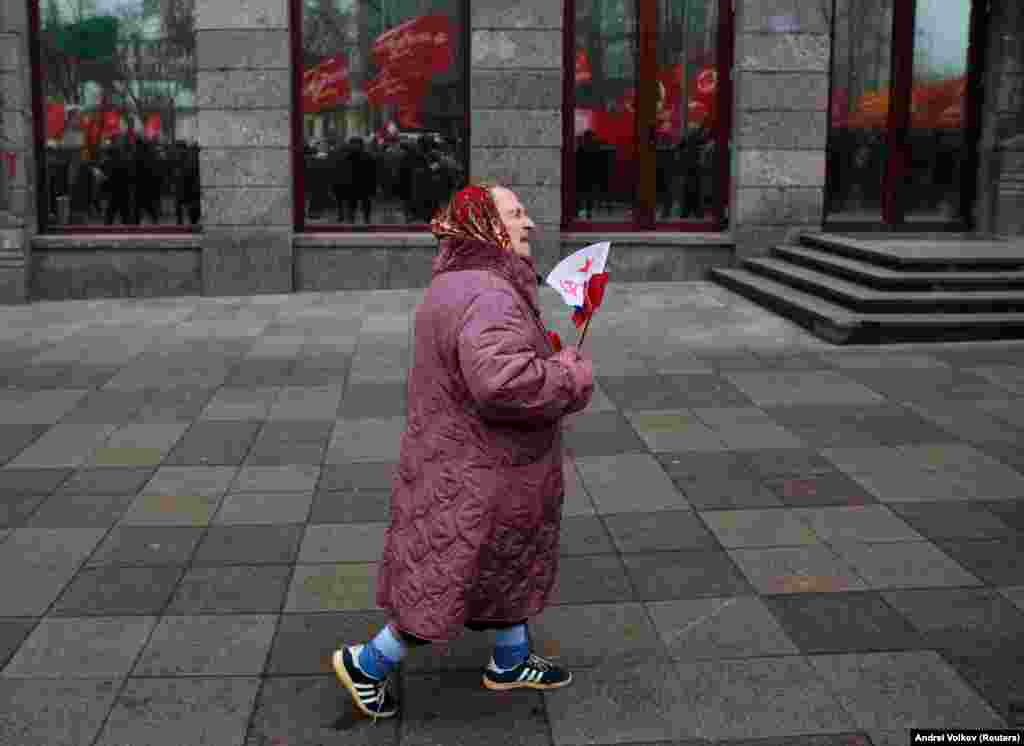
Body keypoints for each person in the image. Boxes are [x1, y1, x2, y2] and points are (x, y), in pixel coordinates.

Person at [332, 183, 595, 721]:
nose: (529, 224)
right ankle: (368, 663)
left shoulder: (456, 282)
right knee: (447, 576)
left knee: (500, 562)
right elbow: (502, 384)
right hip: (481, 469)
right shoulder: (490, 293)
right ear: (487, 226)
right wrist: (568, 374)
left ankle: (511, 660)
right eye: (516, 214)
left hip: (462, 457)